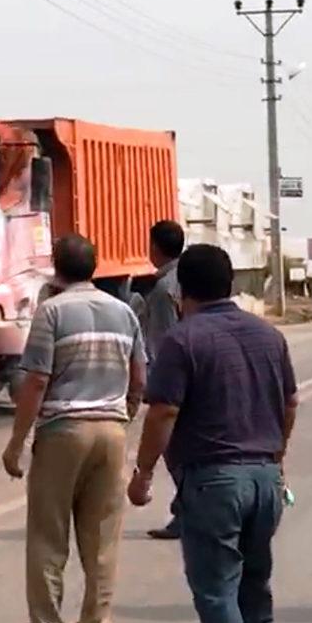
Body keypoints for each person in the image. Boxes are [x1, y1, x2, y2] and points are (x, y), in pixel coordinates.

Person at [128, 244, 298, 623]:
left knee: (218, 591)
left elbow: (164, 411)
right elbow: (290, 402)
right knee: (255, 586)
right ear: (232, 284)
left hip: (214, 483)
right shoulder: (268, 335)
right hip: (265, 479)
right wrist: (276, 456)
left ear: (180, 289)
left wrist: (143, 473)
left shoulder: (182, 339)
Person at [2, 233, 147, 623]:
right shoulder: (124, 313)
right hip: (112, 431)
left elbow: (36, 381)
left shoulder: (51, 312)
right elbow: (139, 378)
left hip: (63, 430)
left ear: (56, 268)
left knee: (49, 534)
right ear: (95, 266)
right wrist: (124, 416)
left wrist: (16, 443)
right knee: (102, 538)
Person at [141, 220, 185, 540]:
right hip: (200, 374)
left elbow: (164, 341)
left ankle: (186, 512)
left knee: (174, 448)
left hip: (176, 381)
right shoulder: (189, 277)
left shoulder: (162, 289)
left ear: (155, 247)